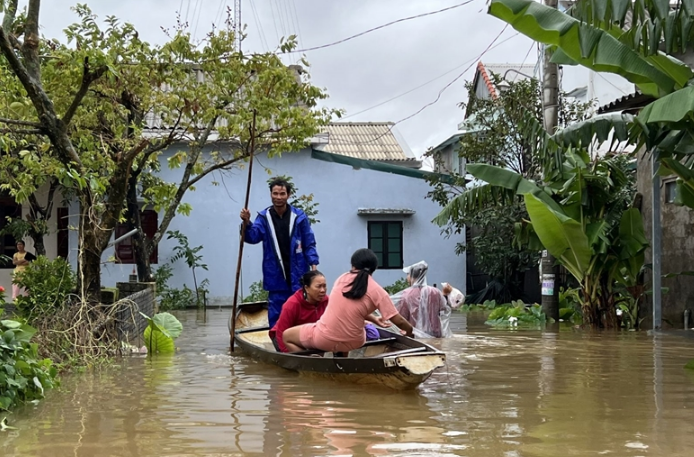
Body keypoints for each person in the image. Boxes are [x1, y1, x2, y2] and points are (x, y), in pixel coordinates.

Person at [282, 248, 413, 353]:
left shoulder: (341, 279)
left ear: (353, 265)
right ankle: (340, 363)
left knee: (287, 336)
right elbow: (399, 321)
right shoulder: (378, 291)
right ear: (374, 268)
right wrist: (410, 332)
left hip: (325, 339)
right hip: (355, 341)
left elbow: (347, 308)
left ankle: (312, 362)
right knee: (344, 336)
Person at [240, 177, 319, 328]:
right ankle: (278, 341)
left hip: (298, 271)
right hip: (275, 273)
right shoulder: (264, 217)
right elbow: (252, 236)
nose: (278, 197)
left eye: (282, 194)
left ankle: (301, 340)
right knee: (277, 311)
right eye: (275, 193)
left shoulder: (299, 217)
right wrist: (247, 223)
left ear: (288, 195)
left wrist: (313, 263)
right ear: (270, 194)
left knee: (301, 308)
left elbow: (309, 241)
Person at [269, 270, 329, 353]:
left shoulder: (327, 301)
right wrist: (289, 355)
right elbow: (281, 333)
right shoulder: (292, 304)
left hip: (309, 335)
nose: (322, 290)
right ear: (307, 288)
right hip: (285, 338)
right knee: (307, 360)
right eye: (318, 286)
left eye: (324, 286)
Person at [393, 261, 451, 338]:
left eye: (408, 274)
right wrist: (444, 293)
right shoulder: (435, 292)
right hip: (436, 334)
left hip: (415, 335)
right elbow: (444, 308)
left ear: (411, 275)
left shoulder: (406, 294)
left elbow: (402, 317)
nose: (407, 278)